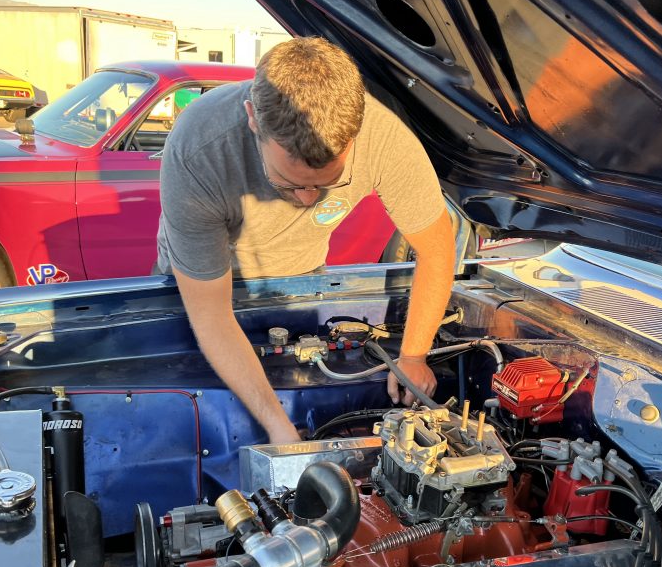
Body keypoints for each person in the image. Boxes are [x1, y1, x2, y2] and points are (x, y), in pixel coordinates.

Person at [156, 37, 455, 444]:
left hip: (303, 281)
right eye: (290, 183)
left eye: (327, 183)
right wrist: (278, 427)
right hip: (205, 286)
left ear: (355, 134)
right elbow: (211, 316)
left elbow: (437, 248)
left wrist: (414, 354)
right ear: (253, 119)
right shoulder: (199, 150)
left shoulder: (385, 139)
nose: (308, 200)